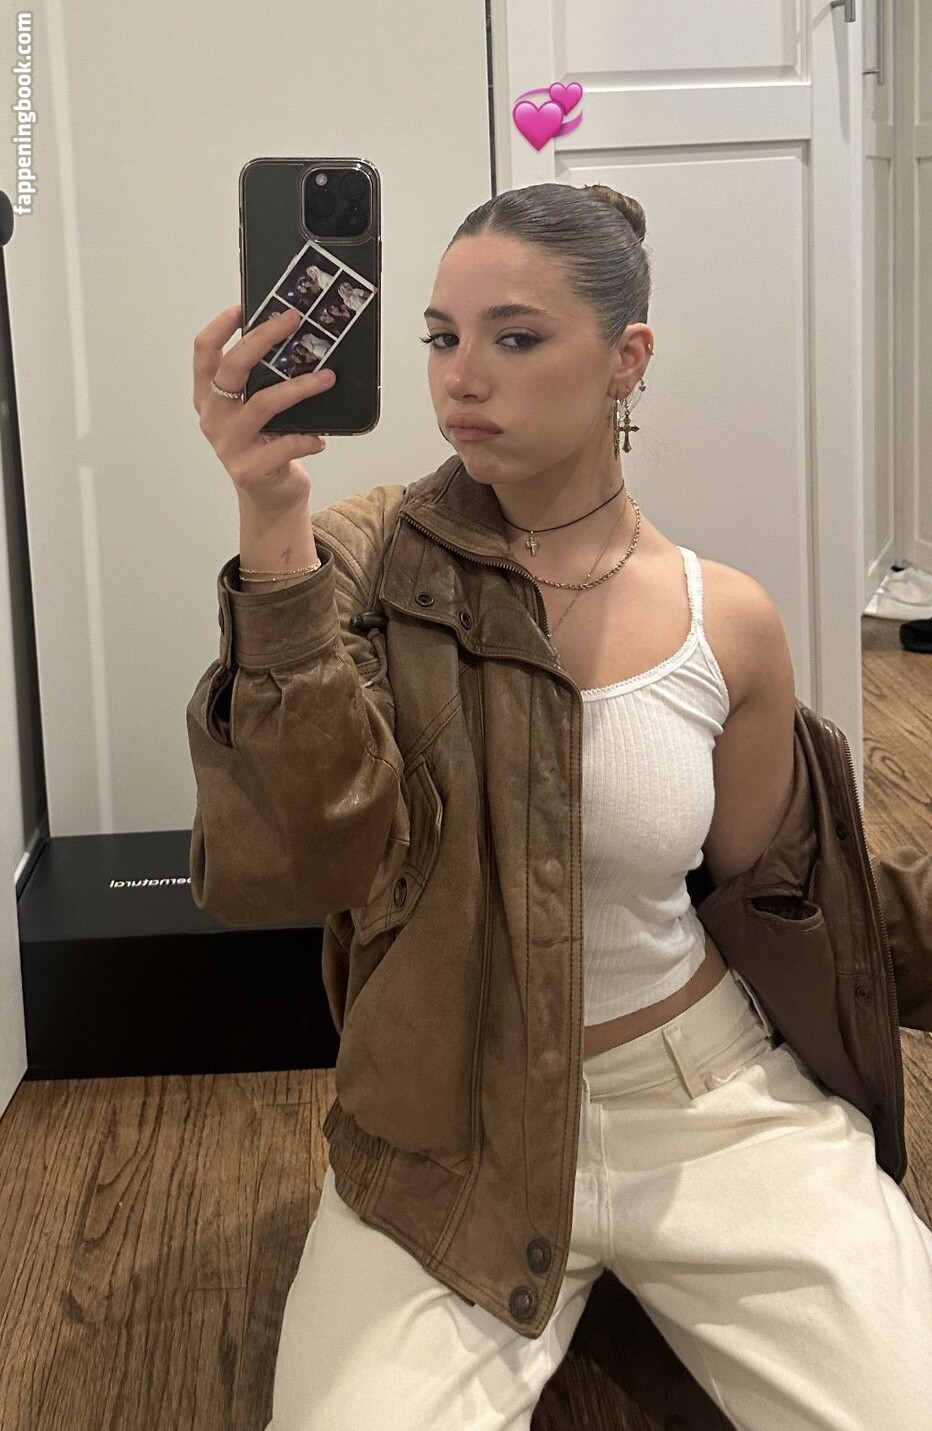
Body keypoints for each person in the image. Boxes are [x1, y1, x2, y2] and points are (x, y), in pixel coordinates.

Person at [188, 183, 932, 1431]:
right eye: (440, 336)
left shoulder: (722, 620)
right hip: (447, 1131)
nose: (460, 376)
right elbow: (299, 860)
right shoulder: (357, 566)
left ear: (625, 360)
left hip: (705, 1101)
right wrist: (269, 520)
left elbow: (778, 903)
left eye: (515, 337)